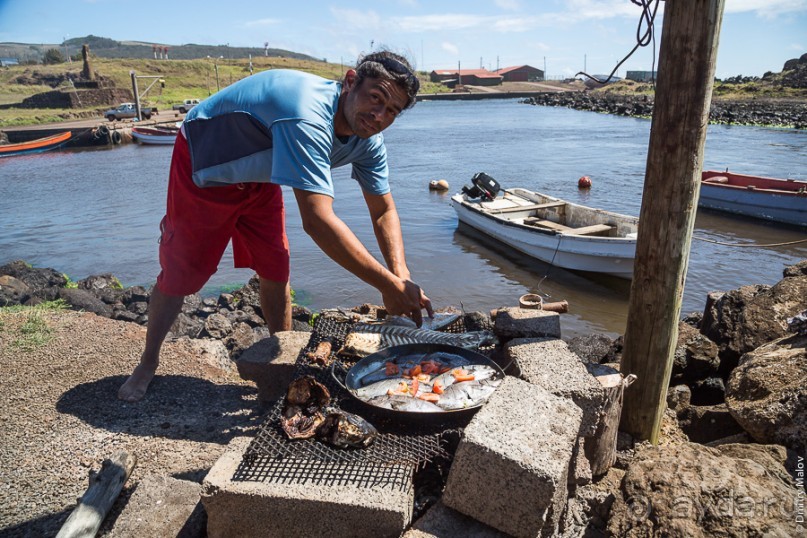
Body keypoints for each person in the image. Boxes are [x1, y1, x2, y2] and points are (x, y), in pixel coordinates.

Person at [118, 50, 433, 402]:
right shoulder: (307, 116)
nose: (379, 116)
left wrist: (400, 277)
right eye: (375, 98)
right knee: (184, 274)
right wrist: (388, 285)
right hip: (206, 165)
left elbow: (383, 210)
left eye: (392, 111)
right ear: (349, 81)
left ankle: (283, 367)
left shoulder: (369, 141)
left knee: (275, 267)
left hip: (260, 175)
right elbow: (317, 221)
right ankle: (147, 363)